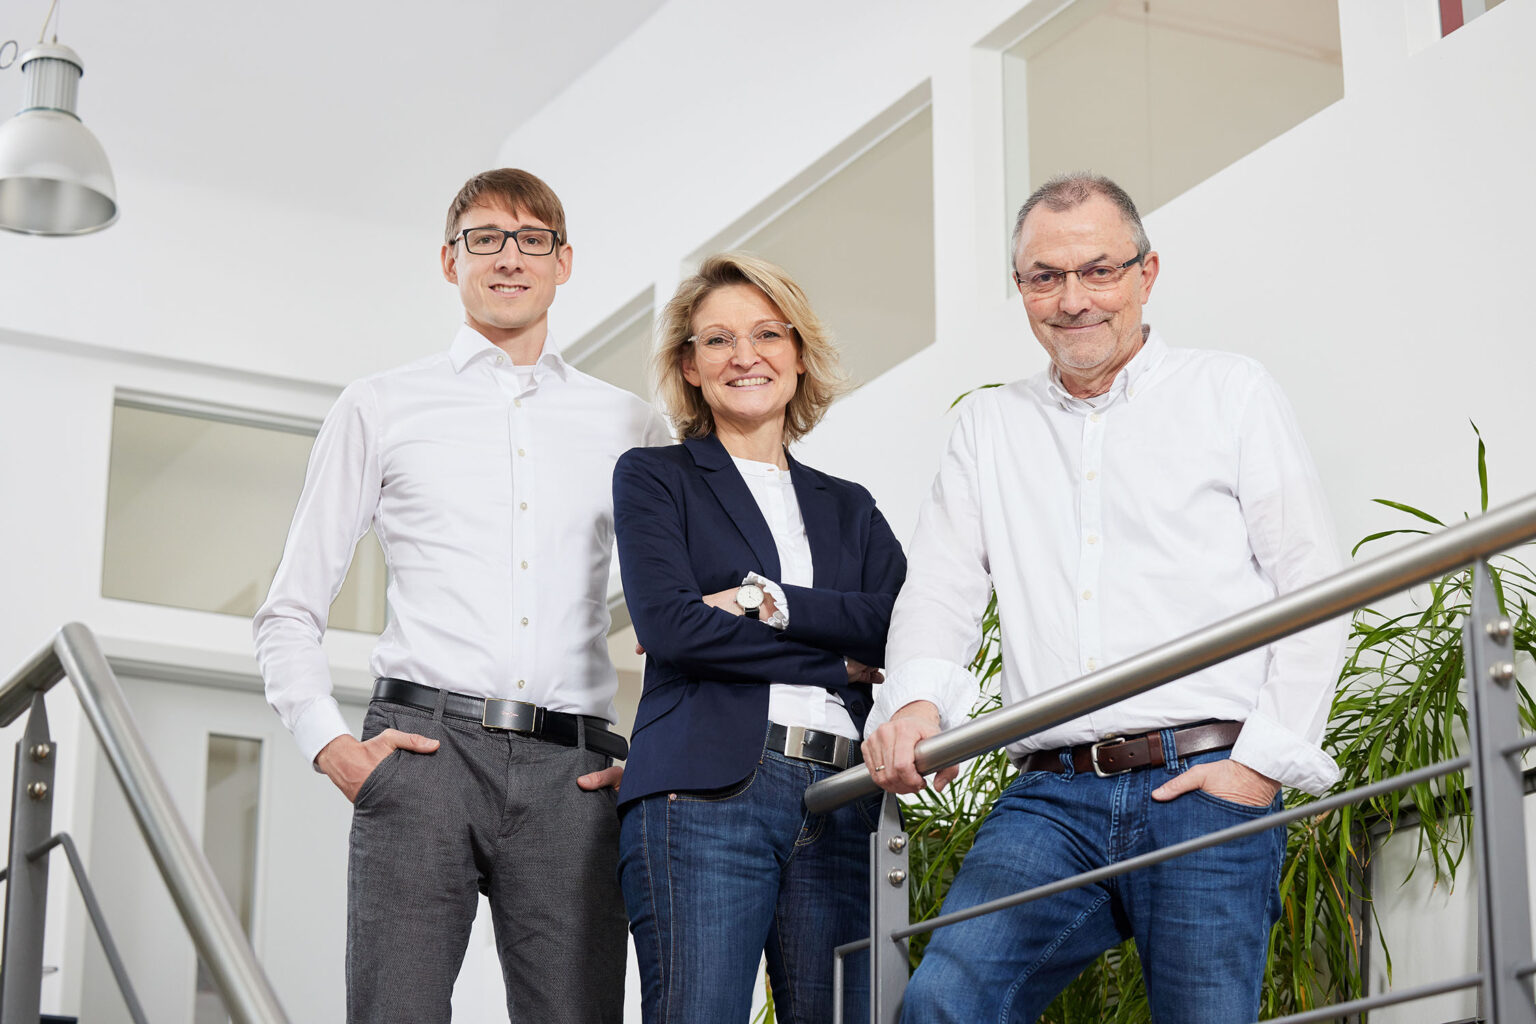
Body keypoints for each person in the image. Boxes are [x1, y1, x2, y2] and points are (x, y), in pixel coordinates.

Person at [861, 173, 1346, 1023]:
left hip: (1206, 776)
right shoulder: (990, 427)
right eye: (1044, 276)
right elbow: (941, 585)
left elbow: (1311, 579)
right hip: (1050, 797)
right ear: (1020, 289)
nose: (1072, 298)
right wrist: (917, 702)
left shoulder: (1230, 392)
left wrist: (1261, 762)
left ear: (1147, 273)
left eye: (1098, 270)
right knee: (942, 1004)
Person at [253, 168, 670, 1024]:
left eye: (531, 240)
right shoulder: (380, 406)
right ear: (450, 262)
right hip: (421, 757)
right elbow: (290, 607)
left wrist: (655, 753)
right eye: (485, 238)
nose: (508, 257)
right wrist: (332, 746)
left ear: (564, 262)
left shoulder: (629, 425)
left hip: (576, 775)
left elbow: (677, 613)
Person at [612, 251, 906, 1023]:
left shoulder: (851, 507)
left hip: (841, 795)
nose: (745, 356)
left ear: (799, 355)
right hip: (707, 794)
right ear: (690, 365)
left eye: (767, 333)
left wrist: (760, 601)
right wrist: (837, 655)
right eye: (717, 340)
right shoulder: (654, 478)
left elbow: (896, 627)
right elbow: (671, 627)